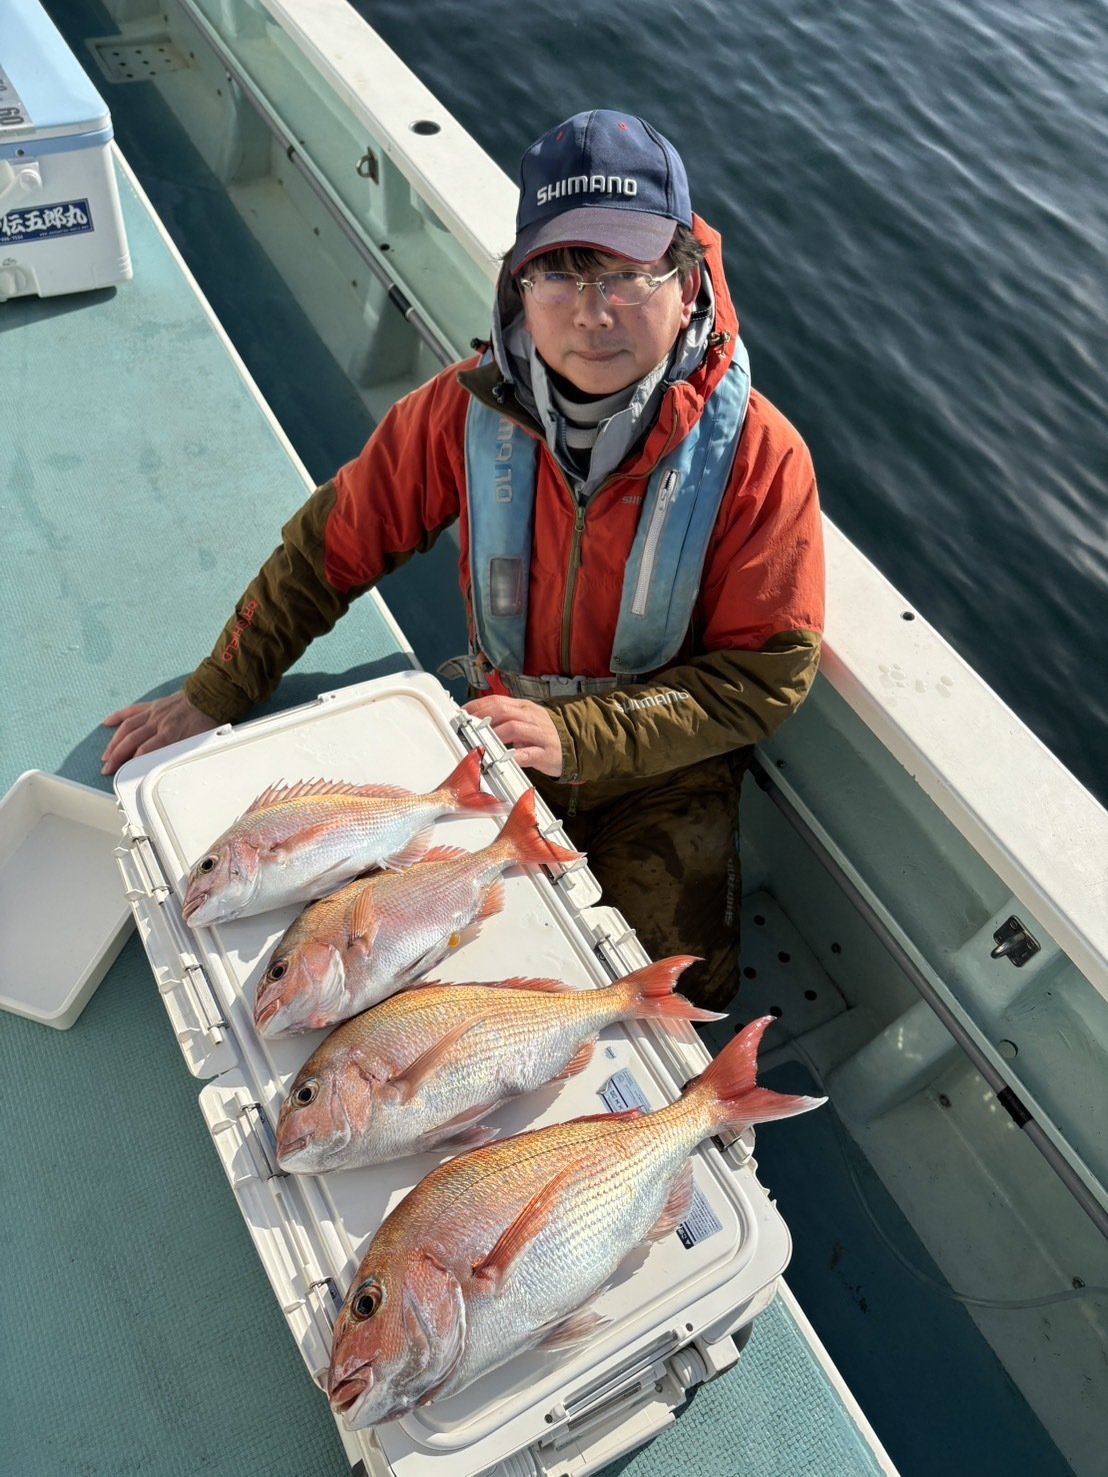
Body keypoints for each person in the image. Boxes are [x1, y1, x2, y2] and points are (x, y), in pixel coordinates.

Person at [101, 109, 824, 1010]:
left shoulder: (758, 456)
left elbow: (766, 678)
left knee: (678, 994)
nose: (592, 312)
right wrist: (217, 690)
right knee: (407, 971)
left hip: (660, 769)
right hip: (495, 739)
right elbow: (325, 552)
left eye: (627, 274)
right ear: (518, 284)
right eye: (559, 272)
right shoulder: (459, 413)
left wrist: (584, 738)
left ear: (685, 281)